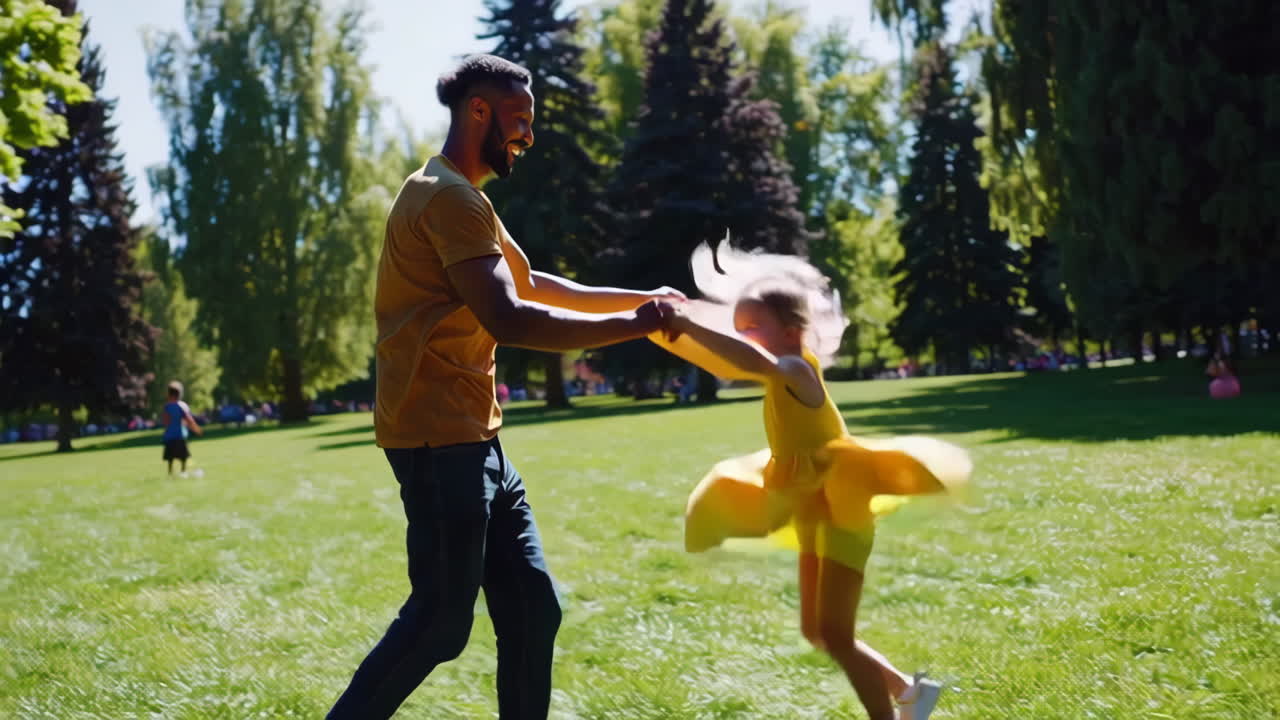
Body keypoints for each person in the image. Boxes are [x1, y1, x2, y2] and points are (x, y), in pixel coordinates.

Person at [327, 54, 682, 719]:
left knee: (530, 609)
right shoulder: (447, 199)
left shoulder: (464, 195)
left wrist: (645, 299)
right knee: (438, 624)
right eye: (520, 121)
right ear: (479, 111)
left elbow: (537, 284)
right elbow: (509, 315)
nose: (529, 136)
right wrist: (636, 326)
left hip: (477, 437)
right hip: (438, 442)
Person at [649, 241, 972, 720]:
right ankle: (910, 691)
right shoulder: (775, 369)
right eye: (742, 329)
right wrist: (672, 329)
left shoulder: (796, 368)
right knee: (817, 632)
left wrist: (688, 324)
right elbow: (731, 359)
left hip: (842, 512)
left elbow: (748, 360)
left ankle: (897, 710)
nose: (746, 336)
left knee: (837, 637)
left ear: (793, 330)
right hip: (811, 509)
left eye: (754, 326)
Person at [159, 381, 202, 477]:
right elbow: (189, 420)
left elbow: (165, 422)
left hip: (169, 436)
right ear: (179, 394)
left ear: (169, 394)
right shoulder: (182, 406)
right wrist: (196, 429)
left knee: (170, 457)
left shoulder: (167, 407)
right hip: (180, 435)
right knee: (183, 456)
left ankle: (170, 473)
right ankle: (183, 471)